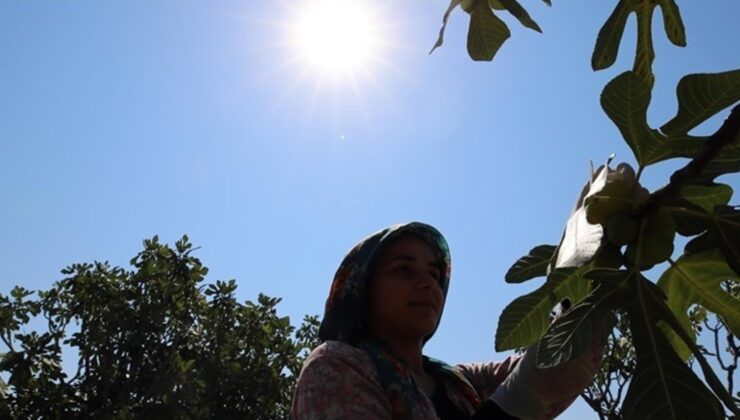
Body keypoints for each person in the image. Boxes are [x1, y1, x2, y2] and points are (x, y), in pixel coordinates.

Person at [291, 222, 604, 419]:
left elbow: (543, 365)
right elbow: (527, 386)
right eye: (403, 269)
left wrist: (596, 250)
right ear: (362, 288)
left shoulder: (460, 382)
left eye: (435, 274)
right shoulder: (334, 366)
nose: (428, 283)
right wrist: (521, 399)